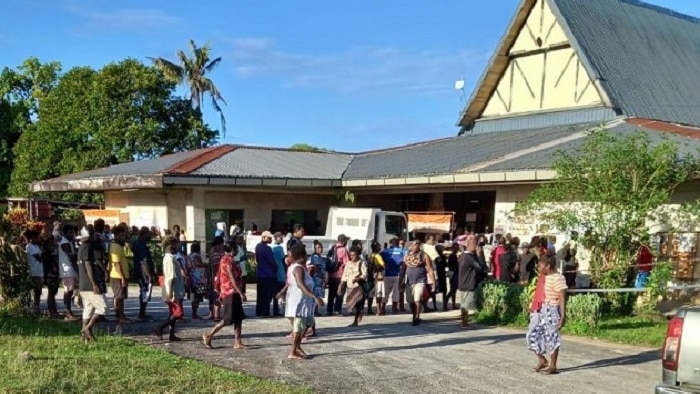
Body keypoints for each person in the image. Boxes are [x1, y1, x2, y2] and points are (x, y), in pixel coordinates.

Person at [526, 255, 568, 375]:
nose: (538, 268)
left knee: (552, 337)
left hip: (552, 309)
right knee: (531, 334)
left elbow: (562, 297)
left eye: (540, 266)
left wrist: (563, 316)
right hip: (540, 309)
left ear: (548, 266)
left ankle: (553, 366)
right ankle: (542, 360)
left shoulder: (558, 278)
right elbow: (539, 293)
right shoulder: (543, 277)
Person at [203, 241, 247, 349]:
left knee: (238, 318)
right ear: (232, 249)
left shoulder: (229, 260)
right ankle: (209, 335)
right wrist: (241, 293)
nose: (237, 251)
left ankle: (238, 341)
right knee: (227, 318)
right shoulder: (227, 261)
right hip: (230, 293)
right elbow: (231, 278)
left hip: (233, 292)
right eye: (236, 248)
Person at [285, 243, 324, 360]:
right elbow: (300, 285)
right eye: (306, 254)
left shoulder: (300, 267)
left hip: (304, 302)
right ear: (301, 256)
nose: (308, 256)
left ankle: (297, 346)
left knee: (309, 323)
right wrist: (315, 297)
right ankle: (293, 351)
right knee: (298, 327)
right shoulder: (298, 268)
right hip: (299, 303)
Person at [77, 226, 108, 342]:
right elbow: (88, 265)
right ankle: (87, 329)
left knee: (88, 309)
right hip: (90, 285)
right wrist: (94, 283)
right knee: (104, 309)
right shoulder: (87, 248)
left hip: (83, 285)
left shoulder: (81, 247)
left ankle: (84, 336)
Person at [154, 239, 185, 342]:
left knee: (173, 313)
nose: (178, 247)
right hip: (173, 290)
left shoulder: (170, 258)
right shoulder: (170, 259)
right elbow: (171, 277)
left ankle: (172, 334)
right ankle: (160, 327)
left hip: (175, 289)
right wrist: (170, 293)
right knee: (178, 313)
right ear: (171, 246)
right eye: (177, 244)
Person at [400, 241, 435, 326]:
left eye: (416, 245)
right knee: (411, 300)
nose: (414, 246)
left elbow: (430, 269)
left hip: (420, 280)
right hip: (409, 281)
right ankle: (414, 315)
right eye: (413, 244)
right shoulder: (407, 256)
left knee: (417, 299)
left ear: (419, 246)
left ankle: (417, 317)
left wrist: (433, 282)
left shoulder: (424, 255)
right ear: (411, 246)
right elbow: (403, 269)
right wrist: (400, 281)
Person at [339, 246, 368, 327]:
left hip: (358, 286)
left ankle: (355, 321)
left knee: (357, 303)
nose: (352, 257)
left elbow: (365, 274)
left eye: (353, 255)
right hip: (349, 286)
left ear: (358, 255)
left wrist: (358, 278)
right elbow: (345, 274)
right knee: (349, 304)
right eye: (350, 255)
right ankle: (359, 312)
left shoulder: (362, 263)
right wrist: (342, 284)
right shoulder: (348, 263)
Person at [457, 238, 480, 328]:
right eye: (475, 244)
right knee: (467, 304)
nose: (476, 246)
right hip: (468, 283)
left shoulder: (463, 255)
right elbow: (479, 267)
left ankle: (463, 321)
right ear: (470, 245)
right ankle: (464, 322)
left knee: (463, 304)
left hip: (462, 283)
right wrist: (479, 255)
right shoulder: (469, 257)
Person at [132, 227, 154, 321]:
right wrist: (149, 275)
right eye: (149, 234)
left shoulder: (138, 244)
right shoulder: (141, 246)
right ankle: (142, 313)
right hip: (143, 272)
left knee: (144, 291)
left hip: (139, 271)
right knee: (145, 291)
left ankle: (143, 312)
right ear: (144, 234)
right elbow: (144, 261)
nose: (150, 236)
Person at [58, 224, 79, 320]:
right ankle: (67, 312)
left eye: (73, 232)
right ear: (65, 233)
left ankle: (68, 311)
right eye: (70, 232)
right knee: (68, 291)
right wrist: (76, 269)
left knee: (70, 291)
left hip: (69, 269)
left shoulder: (69, 242)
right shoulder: (64, 243)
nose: (72, 234)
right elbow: (71, 257)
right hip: (67, 270)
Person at [109, 225, 130, 323]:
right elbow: (116, 264)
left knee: (121, 297)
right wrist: (122, 278)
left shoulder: (119, 246)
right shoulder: (115, 247)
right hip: (117, 276)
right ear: (116, 236)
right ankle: (119, 316)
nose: (123, 237)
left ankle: (121, 315)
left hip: (121, 275)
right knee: (119, 297)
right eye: (121, 236)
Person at [255, 231, 278, 317]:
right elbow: (271, 261)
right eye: (269, 238)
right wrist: (276, 267)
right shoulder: (267, 249)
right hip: (268, 274)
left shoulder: (258, 247)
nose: (270, 239)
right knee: (268, 294)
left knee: (260, 294)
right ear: (264, 237)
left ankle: (259, 311)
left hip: (260, 273)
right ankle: (265, 311)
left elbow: (257, 259)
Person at [326, 234, 349, 316]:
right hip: (340, 275)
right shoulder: (343, 249)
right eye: (346, 240)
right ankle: (337, 310)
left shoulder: (332, 248)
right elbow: (347, 263)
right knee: (340, 293)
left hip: (332, 275)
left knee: (331, 294)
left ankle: (329, 310)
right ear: (343, 241)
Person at [381, 238, 404, 314]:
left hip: (387, 274)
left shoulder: (386, 251)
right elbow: (405, 260)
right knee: (396, 292)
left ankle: (382, 308)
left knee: (386, 292)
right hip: (397, 274)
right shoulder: (402, 251)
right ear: (397, 243)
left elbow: (380, 258)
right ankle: (394, 308)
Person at [25, 230, 44, 315]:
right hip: (33, 271)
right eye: (36, 237)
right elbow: (39, 258)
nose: (37, 239)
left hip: (39, 271)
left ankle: (37, 306)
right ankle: (34, 307)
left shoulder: (37, 246)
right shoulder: (29, 246)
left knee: (39, 290)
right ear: (31, 238)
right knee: (36, 290)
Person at [188, 242, 207, 319]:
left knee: (194, 296)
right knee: (197, 297)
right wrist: (206, 265)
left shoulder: (189, 256)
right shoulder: (196, 255)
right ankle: (195, 314)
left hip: (192, 277)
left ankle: (194, 313)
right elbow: (198, 264)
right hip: (198, 279)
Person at [272, 233, 287, 316]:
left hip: (274, 272)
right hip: (281, 272)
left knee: (275, 293)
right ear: (277, 238)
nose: (282, 239)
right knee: (283, 292)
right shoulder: (280, 248)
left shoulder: (271, 247)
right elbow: (282, 260)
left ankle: (275, 309)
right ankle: (283, 309)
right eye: (281, 238)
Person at [369, 242, 386, 316]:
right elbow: (383, 265)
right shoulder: (378, 256)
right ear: (375, 248)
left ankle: (369, 309)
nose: (380, 248)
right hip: (378, 276)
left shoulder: (369, 255)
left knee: (370, 294)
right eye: (379, 247)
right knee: (379, 293)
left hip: (370, 276)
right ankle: (379, 310)